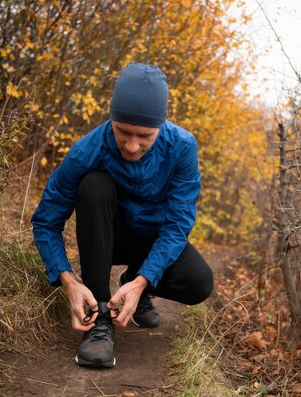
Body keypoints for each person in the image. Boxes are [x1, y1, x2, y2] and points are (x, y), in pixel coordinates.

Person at [31, 63, 213, 368]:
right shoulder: (85, 151)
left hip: (151, 241)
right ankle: (100, 318)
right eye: (123, 132)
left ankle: (134, 285)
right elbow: (45, 220)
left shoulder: (182, 147)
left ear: (162, 125)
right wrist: (67, 280)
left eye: (145, 136)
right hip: (106, 237)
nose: (132, 145)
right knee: (93, 186)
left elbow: (179, 223)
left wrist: (143, 280)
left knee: (199, 283)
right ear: (111, 117)